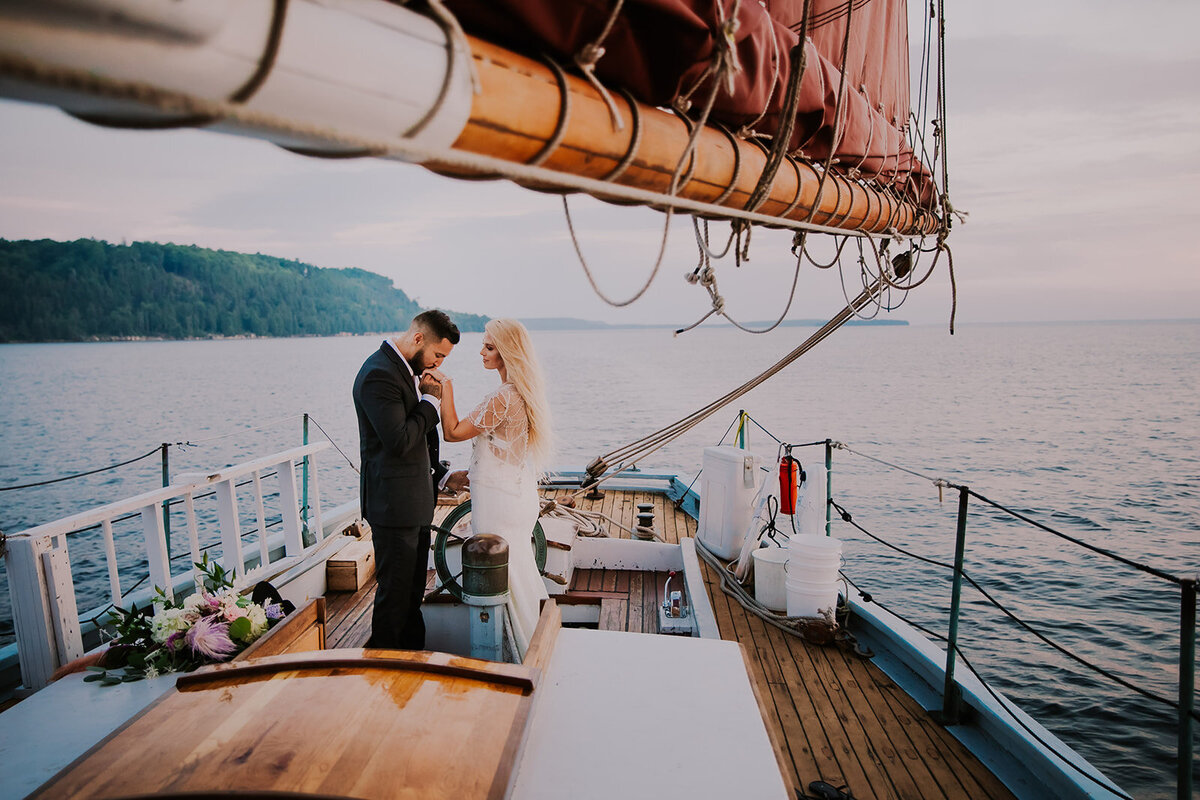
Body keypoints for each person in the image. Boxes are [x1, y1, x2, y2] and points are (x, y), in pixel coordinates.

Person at [431, 318, 552, 659]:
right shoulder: (523, 393)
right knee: (519, 567)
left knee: (505, 573)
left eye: (488, 347)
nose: (481, 352)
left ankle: (522, 653)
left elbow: (453, 432)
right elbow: (502, 448)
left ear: (506, 353)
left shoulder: (503, 397)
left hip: (499, 502)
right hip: (514, 494)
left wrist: (446, 389)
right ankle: (536, 642)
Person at [352, 310, 468, 650]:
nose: (438, 363)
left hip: (413, 505)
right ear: (418, 339)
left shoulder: (406, 371)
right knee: (395, 598)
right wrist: (431, 400)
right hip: (393, 508)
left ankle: (411, 663)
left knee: (412, 594)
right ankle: (383, 670)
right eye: (438, 354)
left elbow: (417, 442)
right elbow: (400, 440)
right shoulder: (378, 375)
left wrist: (443, 474)